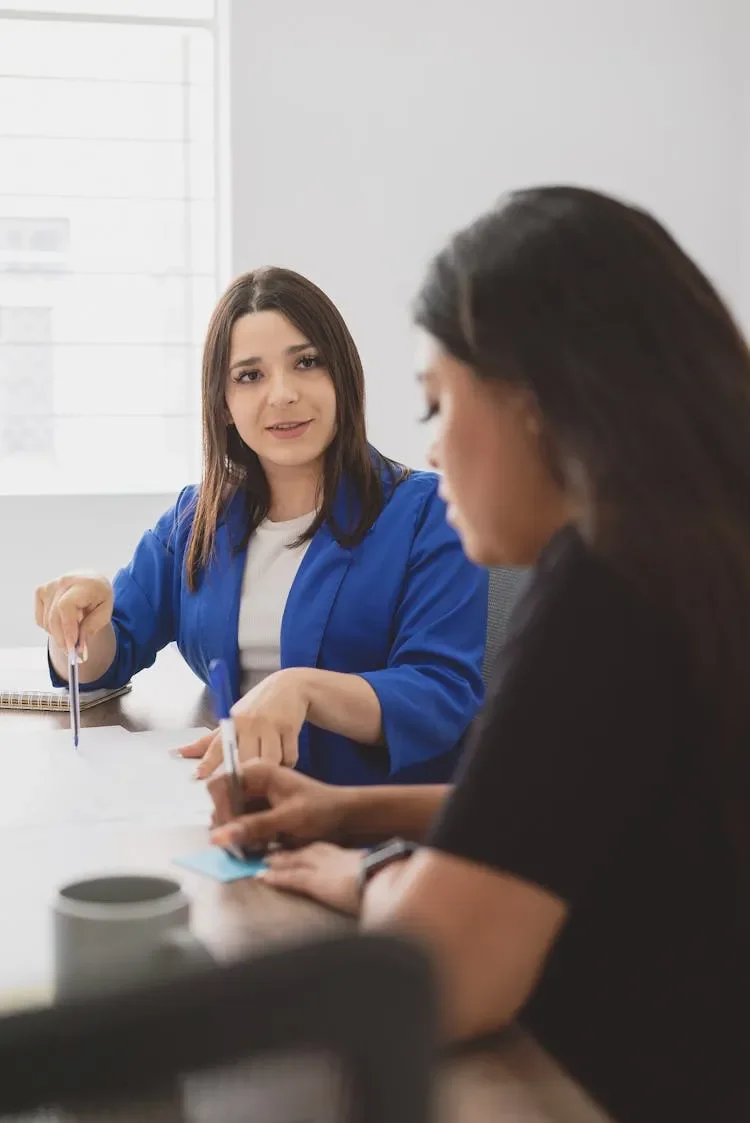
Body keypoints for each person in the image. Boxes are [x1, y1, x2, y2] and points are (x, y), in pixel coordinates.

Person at [209, 190, 749, 1123]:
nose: (430, 446)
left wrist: (367, 870)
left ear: (536, 404)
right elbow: (587, 805)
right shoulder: (696, 554)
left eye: (436, 403)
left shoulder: (607, 586)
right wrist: (352, 807)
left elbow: (440, 974)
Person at [34, 267, 487, 786]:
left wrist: (304, 690)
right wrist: (77, 623)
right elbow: (102, 667)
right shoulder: (195, 518)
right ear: (223, 406)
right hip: (230, 805)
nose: (283, 394)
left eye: (308, 363)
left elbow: (440, 695)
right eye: (249, 376)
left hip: (370, 825)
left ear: (343, 376)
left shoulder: (429, 513)